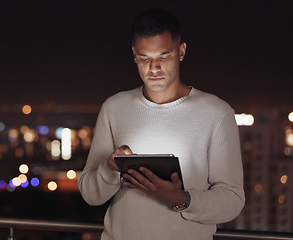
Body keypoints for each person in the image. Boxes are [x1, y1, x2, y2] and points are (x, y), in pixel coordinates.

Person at [78, 8, 245, 240]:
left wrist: (182, 199)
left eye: (163, 56)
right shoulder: (114, 108)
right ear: (134, 55)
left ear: (181, 51)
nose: (153, 68)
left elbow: (233, 200)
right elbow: (90, 195)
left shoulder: (216, 114)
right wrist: (109, 169)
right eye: (145, 58)